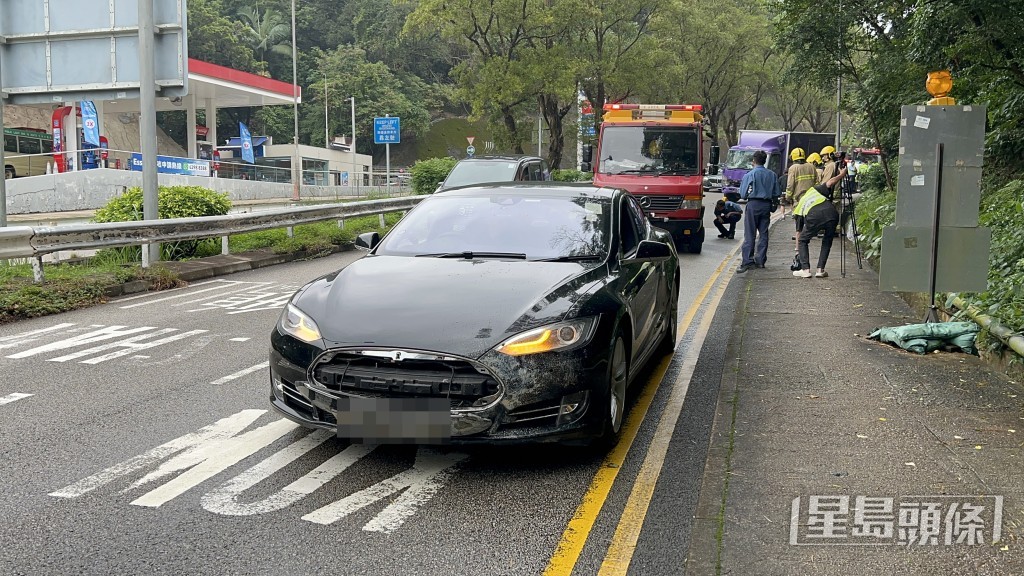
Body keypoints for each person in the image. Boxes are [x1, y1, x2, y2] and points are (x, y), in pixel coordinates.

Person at [792, 166, 849, 278]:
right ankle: (820, 270)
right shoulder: (813, 190)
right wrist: (842, 174)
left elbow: (798, 233)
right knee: (827, 240)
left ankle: (806, 270)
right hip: (832, 213)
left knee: (803, 240)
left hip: (814, 216)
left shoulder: (798, 208)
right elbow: (830, 182)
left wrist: (798, 252)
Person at [736, 150, 781, 273]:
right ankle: (760, 260)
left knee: (750, 234)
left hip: (753, 204)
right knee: (763, 233)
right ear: (765, 161)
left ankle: (747, 261)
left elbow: (743, 194)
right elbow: (777, 193)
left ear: (753, 161)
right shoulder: (772, 175)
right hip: (766, 205)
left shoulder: (750, 175)